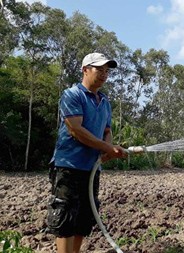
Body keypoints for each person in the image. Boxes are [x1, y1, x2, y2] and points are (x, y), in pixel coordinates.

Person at [47, 52, 128, 253]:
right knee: (65, 218)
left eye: (107, 71)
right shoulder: (72, 95)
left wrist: (107, 153)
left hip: (91, 169)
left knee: (84, 218)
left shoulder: (105, 102)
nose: (104, 74)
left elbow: (107, 132)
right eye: (99, 69)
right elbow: (76, 130)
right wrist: (107, 148)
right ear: (85, 70)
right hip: (68, 166)